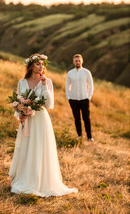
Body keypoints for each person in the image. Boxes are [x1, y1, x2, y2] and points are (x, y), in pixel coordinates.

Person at [9, 53, 78, 197]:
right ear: (31, 66)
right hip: (27, 120)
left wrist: (45, 85)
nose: (41, 67)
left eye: (42, 65)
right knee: (28, 148)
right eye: (38, 64)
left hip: (41, 118)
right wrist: (20, 114)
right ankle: (26, 178)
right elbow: (17, 101)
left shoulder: (47, 81)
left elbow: (49, 104)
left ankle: (42, 181)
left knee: (41, 147)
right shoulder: (22, 82)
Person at [65, 54, 94, 141]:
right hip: (73, 99)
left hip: (84, 99)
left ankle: (89, 137)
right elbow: (67, 86)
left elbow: (91, 85)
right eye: (76, 61)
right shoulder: (70, 73)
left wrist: (89, 97)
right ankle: (79, 136)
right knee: (77, 118)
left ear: (82, 61)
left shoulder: (86, 72)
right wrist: (68, 97)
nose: (77, 62)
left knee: (86, 118)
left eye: (79, 61)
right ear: (73, 62)